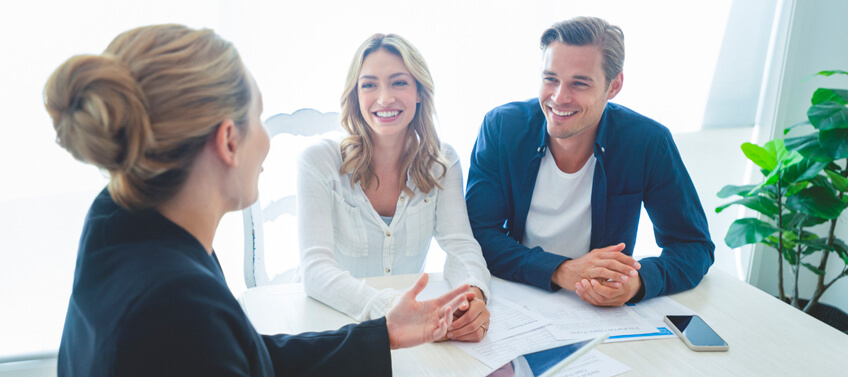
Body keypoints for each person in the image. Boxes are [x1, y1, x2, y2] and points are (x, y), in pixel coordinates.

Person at [45, 24, 475, 376]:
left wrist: (382, 334)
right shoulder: (178, 307)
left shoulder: (119, 219)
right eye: (258, 118)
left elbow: (247, 355)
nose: (268, 141)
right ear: (230, 141)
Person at [465, 17, 714, 307]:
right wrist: (561, 270)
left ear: (614, 86)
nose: (559, 97)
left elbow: (694, 246)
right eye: (550, 79)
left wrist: (639, 282)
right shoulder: (502, 128)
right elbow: (477, 234)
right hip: (515, 294)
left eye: (579, 83)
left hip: (599, 311)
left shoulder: (647, 142)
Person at [297, 33, 491, 341]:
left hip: (411, 335)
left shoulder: (443, 161)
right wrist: (393, 309)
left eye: (399, 82)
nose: (385, 98)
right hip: (332, 326)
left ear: (418, 92)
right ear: (355, 96)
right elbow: (316, 271)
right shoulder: (319, 161)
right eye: (369, 84)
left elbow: (461, 245)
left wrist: (472, 295)